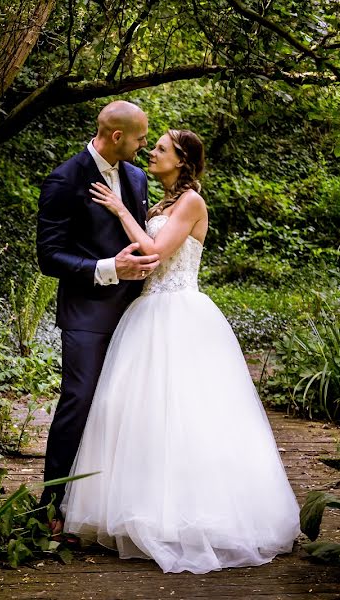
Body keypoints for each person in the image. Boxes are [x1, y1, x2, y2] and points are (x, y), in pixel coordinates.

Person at [61, 129, 301, 574]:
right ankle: (138, 513)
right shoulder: (160, 203)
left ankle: (189, 518)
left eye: (162, 149)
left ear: (183, 159)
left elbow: (153, 251)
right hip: (145, 314)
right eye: (152, 146)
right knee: (134, 413)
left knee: (186, 414)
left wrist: (117, 208)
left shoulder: (190, 202)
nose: (152, 152)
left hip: (180, 314)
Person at [35, 100, 159, 536]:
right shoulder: (64, 179)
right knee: (79, 399)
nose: (145, 147)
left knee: (127, 406)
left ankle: (113, 504)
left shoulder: (138, 177)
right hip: (86, 312)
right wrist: (109, 269)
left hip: (137, 313)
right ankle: (51, 502)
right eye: (141, 138)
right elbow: (48, 256)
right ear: (117, 136)